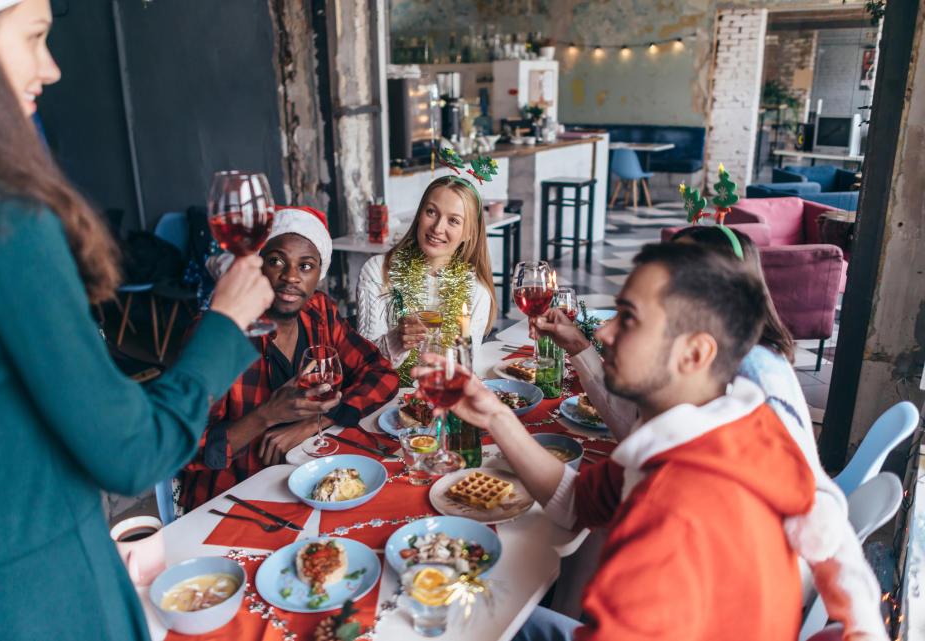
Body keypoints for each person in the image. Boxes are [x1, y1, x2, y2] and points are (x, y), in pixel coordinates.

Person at [0, 2, 273, 639]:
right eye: (34, 37)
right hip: (40, 599)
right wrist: (224, 321)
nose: (49, 67)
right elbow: (133, 452)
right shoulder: (1, 221)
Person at [425, 243, 817, 640]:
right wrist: (496, 415)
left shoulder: (675, 512)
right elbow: (578, 503)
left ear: (695, 353)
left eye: (627, 319)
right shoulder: (701, 433)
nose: (605, 331)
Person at [534, 226, 887, 640]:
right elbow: (632, 443)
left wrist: (860, 622)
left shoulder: (753, 375)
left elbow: (815, 500)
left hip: (741, 581)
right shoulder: (715, 404)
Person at [179, 208, 399, 511]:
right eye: (276, 261)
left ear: (318, 274)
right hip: (233, 498)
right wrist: (265, 416)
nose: (291, 277)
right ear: (258, 266)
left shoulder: (318, 312)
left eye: (305, 265)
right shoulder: (217, 334)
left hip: (309, 477)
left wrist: (315, 422)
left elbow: (380, 372)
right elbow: (182, 448)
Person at [357, 176, 497, 383]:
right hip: (382, 397)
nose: (438, 228)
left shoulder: (476, 292)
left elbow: (464, 366)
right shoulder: (379, 271)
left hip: (441, 399)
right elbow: (360, 362)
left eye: (453, 220)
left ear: (469, 233)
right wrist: (397, 340)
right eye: (431, 212)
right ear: (419, 215)